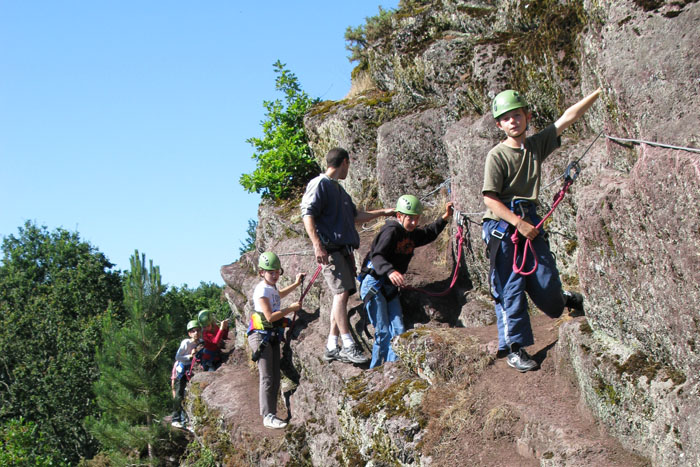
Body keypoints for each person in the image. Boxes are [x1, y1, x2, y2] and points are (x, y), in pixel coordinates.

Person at [482, 88, 601, 372]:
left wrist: (599, 91)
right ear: (499, 125)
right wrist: (517, 223)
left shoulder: (536, 145)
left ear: (527, 117)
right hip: (503, 225)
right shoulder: (497, 156)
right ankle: (515, 347)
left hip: (529, 218)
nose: (513, 121)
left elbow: (567, 118)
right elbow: (490, 199)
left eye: (517, 115)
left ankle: (562, 300)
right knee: (510, 285)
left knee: (548, 286)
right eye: (507, 118)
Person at [301, 147, 395, 364]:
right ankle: (348, 344)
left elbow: (356, 216)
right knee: (341, 294)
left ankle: (332, 345)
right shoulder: (320, 184)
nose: (348, 169)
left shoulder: (340, 192)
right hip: (330, 250)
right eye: (348, 165)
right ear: (344, 162)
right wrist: (317, 245)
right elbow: (308, 214)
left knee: (340, 296)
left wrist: (383, 212)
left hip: (343, 251)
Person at [359, 195, 454, 368]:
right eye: (409, 218)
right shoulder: (391, 231)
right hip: (374, 284)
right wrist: (390, 270)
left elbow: (427, 233)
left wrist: (445, 218)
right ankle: (375, 371)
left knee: (399, 331)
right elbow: (377, 255)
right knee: (383, 332)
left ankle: (391, 370)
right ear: (399, 216)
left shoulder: (411, 233)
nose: (413, 222)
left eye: (416, 218)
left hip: (389, 287)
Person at [248, 252, 303, 429]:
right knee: (267, 376)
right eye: (271, 272)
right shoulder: (261, 290)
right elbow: (270, 316)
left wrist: (296, 284)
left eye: (277, 271)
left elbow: (279, 294)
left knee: (275, 375)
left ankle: (272, 414)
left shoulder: (270, 288)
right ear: (261, 272)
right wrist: (290, 308)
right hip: (261, 336)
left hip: (270, 335)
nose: (275, 275)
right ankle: (267, 415)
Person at [171, 319, 201, 428]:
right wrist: (189, 356)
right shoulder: (186, 343)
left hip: (192, 369)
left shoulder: (200, 342)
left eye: (198, 330)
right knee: (179, 394)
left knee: (188, 395)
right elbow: (178, 357)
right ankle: (176, 418)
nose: (196, 333)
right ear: (189, 333)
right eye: (193, 331)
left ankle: (186, 421)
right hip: (182, 370)